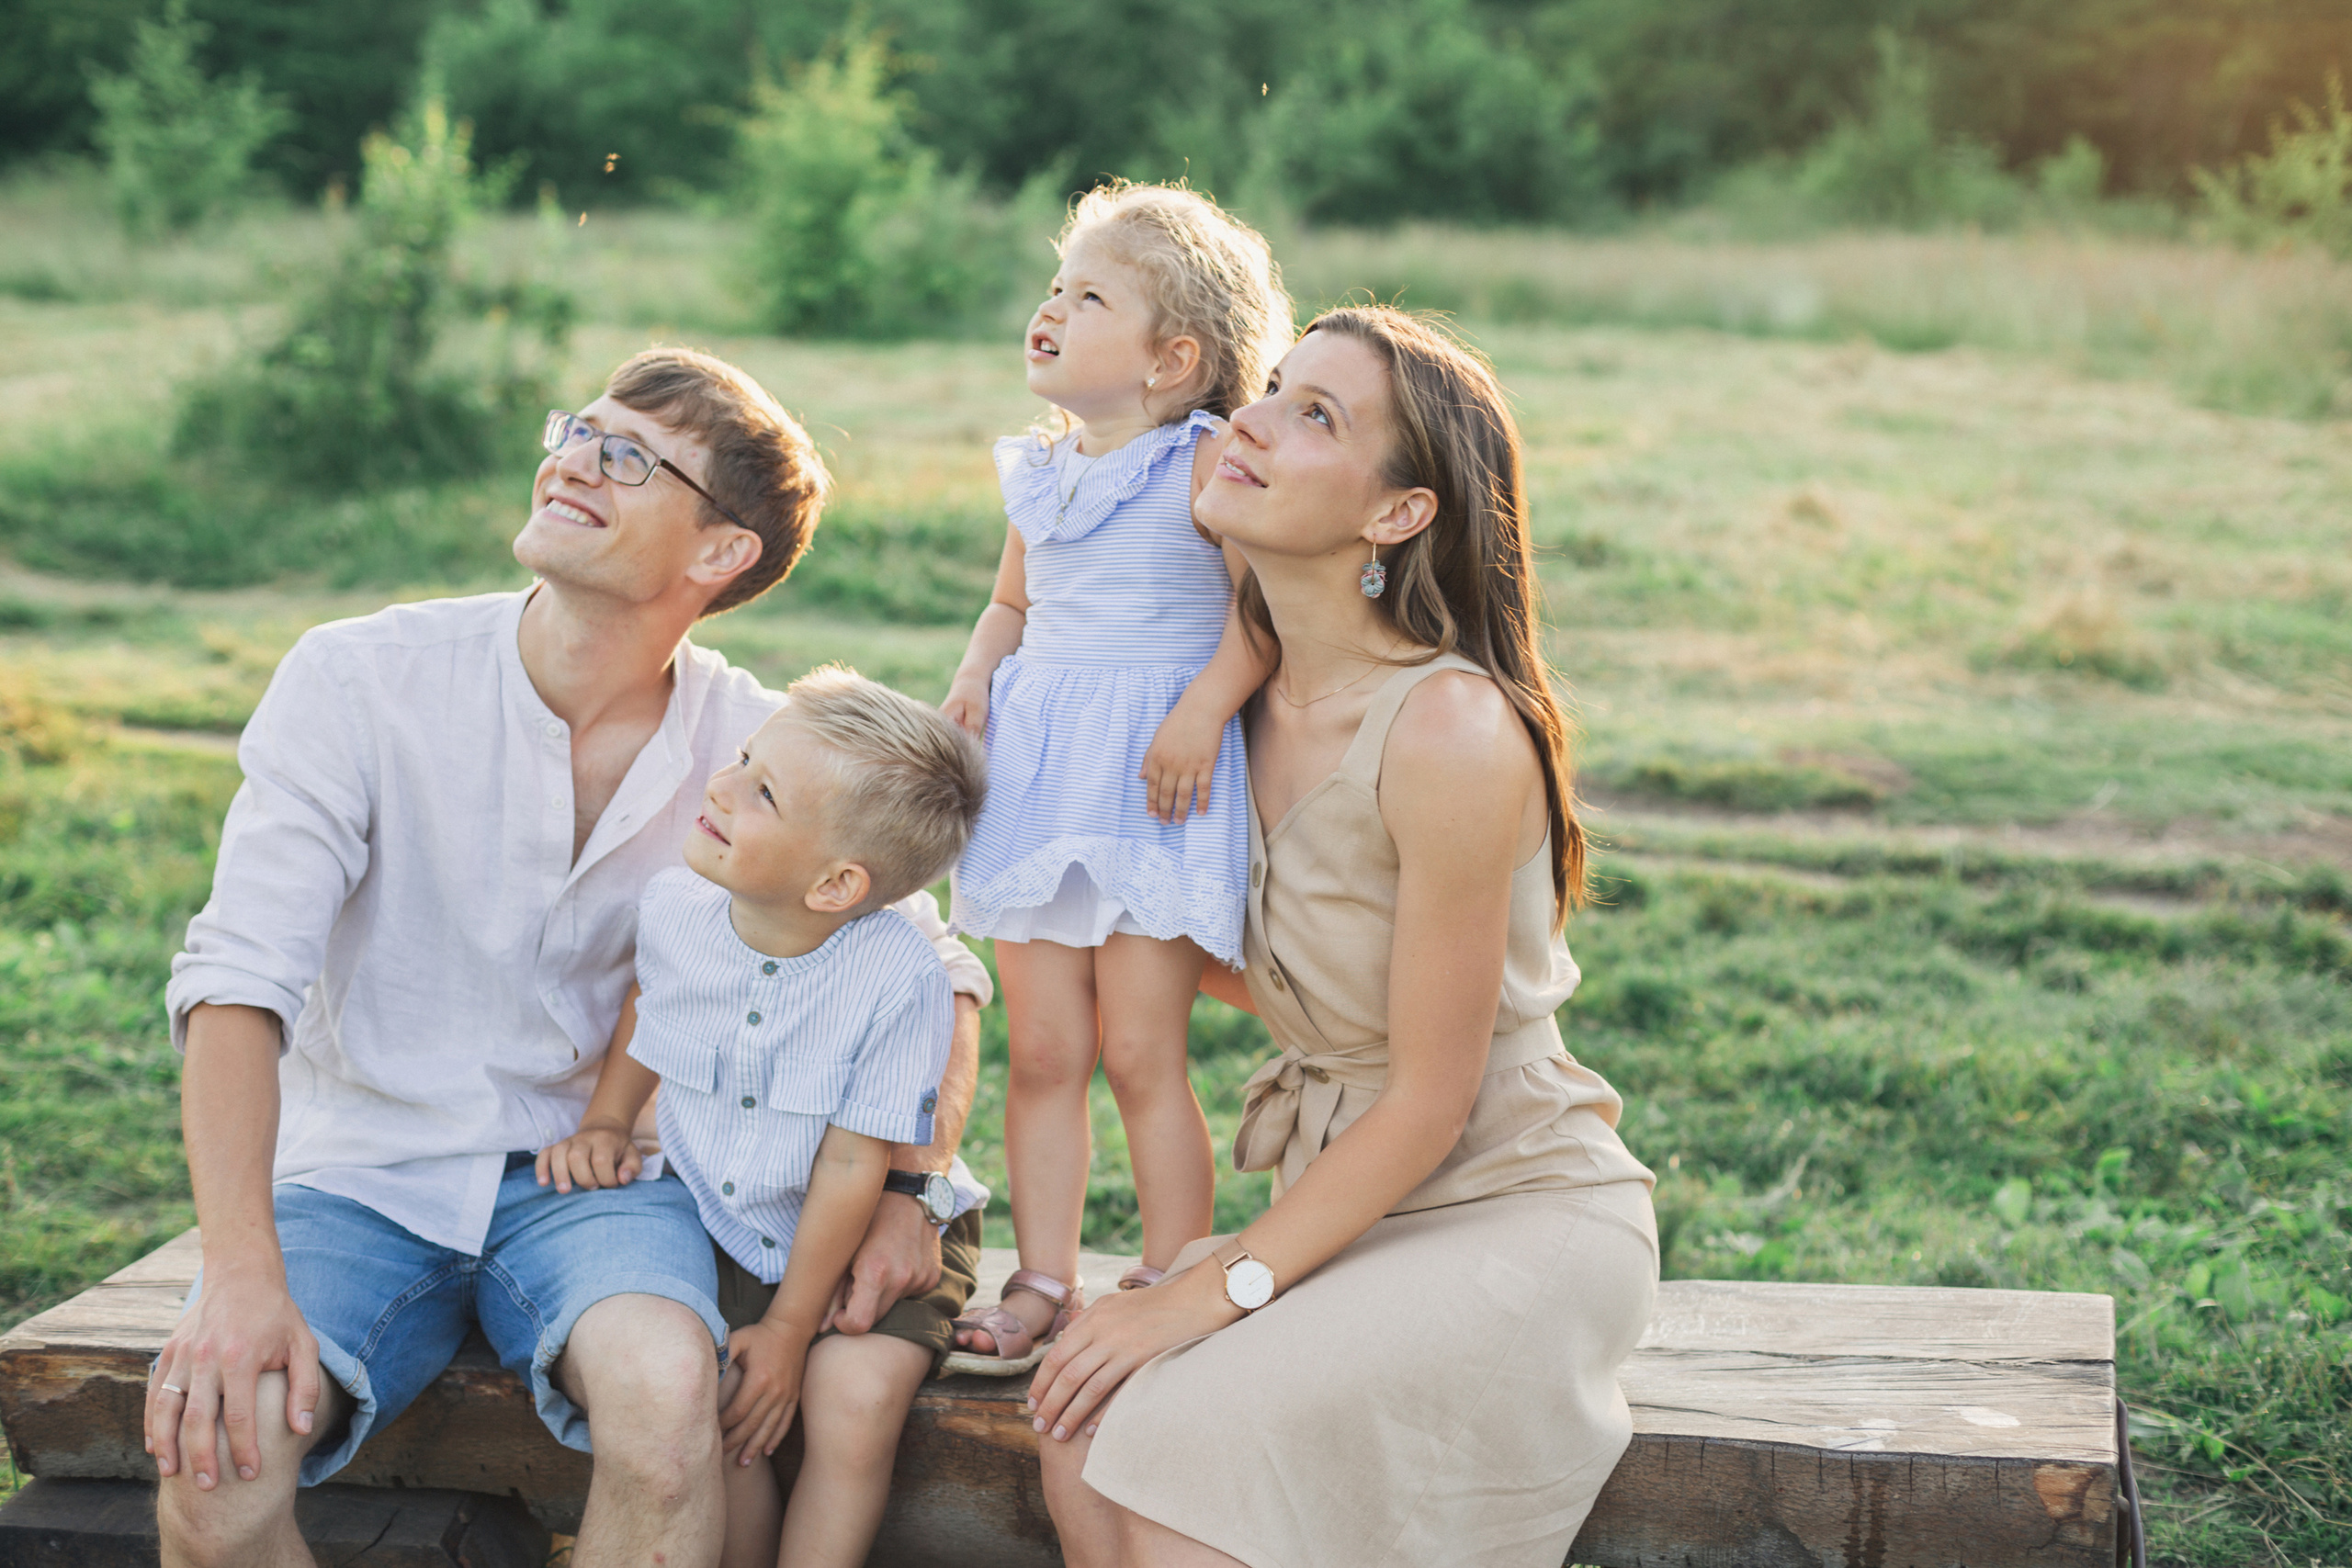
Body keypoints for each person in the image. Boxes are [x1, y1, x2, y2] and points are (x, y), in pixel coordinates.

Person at [146, 348, 994, 1568]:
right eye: (579, 430)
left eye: (632, 457)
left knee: (666, 1416)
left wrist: (911, 1189)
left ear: (718, 554)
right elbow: (236, 981)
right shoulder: (357, 677)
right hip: (353, 1170)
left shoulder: (759, 746)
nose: (575, 460)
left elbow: (942, 971)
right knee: (214, 1470)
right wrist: (236, 1273)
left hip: (606, 1187)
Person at [1023, 307, 1660, 1568]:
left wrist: (1212, 1287)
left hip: (1505, 1202)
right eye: (1271, 388)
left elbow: (1430, 1095)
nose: (1250, 419)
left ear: (1397, 515)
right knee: (1076, 1418)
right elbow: (1293, 974)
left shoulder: (1448, 732)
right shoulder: (1225, 711)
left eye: (1318, 414)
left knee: (1184, 1453)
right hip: (1342, 1197)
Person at [942, 183, 1291, 1361]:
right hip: (1041, 779)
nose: (1050, 307)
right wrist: (979, 669)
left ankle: (1166, 1270)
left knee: (1143, 1049)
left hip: (1155, 785)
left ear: (1170, 359)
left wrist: (1202, 715)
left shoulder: (1202, 467)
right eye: (1054, 285)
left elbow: (1261, 618)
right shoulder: (1041, 472)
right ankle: (1041, 1278)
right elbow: (1011, 601)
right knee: (1042, 1052)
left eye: (1088, 296)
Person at [535, 669, 989, 1568]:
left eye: (763, 790)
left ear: (834, 884)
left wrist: (791, 1327)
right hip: (723, 1230)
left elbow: (856, 1165)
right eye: (745, 759)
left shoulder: (897, 974)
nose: (722, 784)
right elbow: (650, 1011)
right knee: (718, 1408)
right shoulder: (676, 910)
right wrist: (607, 1119)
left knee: (851, 1405)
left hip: (860, 1238)